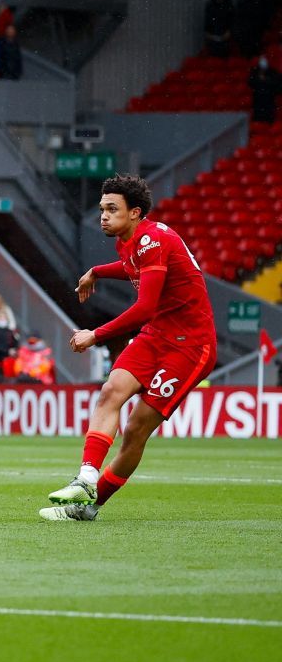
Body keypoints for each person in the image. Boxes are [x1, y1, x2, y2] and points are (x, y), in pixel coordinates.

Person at [41, 175, 218, 522]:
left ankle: (88, 507)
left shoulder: (153, 239)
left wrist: (96, 334)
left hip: (190, 346)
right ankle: (87, 478)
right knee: (111, 392)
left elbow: (146, 306)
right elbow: (131, 268)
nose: (103, 216)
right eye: (102, 209)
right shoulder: (130, 241)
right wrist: (96, 271)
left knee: (136, 429)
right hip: (157, 336)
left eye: (112, 209)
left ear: (135, 212)